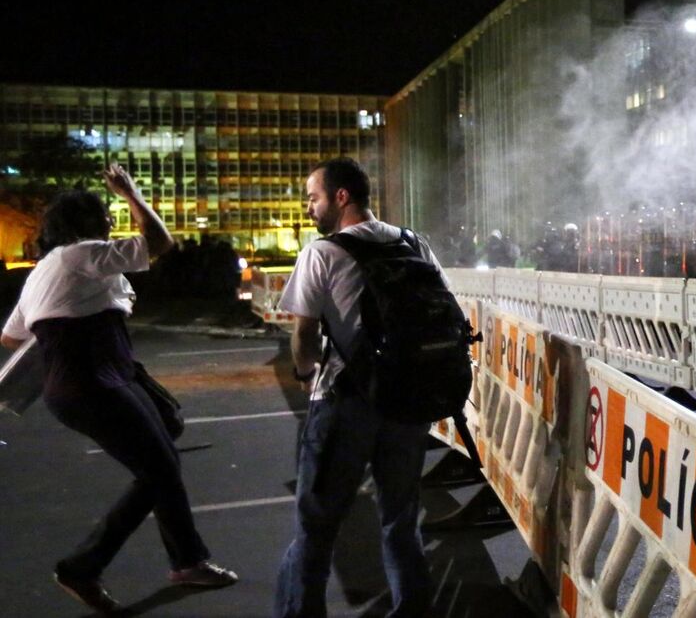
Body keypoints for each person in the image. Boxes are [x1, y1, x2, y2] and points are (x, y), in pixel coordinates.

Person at [0, 164, 237, 614]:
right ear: (83, 226)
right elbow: (161, 242)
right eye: (104, 215)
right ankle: (87, 567)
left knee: (165, 443)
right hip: (92, 382)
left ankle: (185, 560)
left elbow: (11, 336)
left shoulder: (45, 271)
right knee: (161, 468)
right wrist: (130, 192)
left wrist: (61, 312)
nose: (111, 221)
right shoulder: (80, 254)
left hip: (92, 380)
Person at [274, 158, 438, 618]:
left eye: (313, 197)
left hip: (346, 402)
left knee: (317, 527)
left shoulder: (322, 253)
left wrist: (308, 378)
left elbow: (304, 335)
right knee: (401, 522)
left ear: (341, 196)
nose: (309, 207)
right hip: (408, 402)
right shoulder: (412, 242)